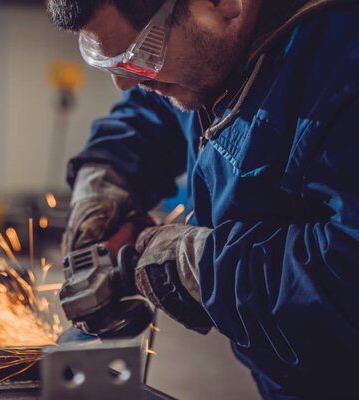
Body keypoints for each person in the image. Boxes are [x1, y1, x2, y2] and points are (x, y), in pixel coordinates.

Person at [47, 0, 359, 398]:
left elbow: (346, 277)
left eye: (141, 55)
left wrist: (199, 266)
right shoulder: (202, 59)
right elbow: (149, 113)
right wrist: (105, 176)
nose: (124, 83)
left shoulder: (343, 69)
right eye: (112, 66)